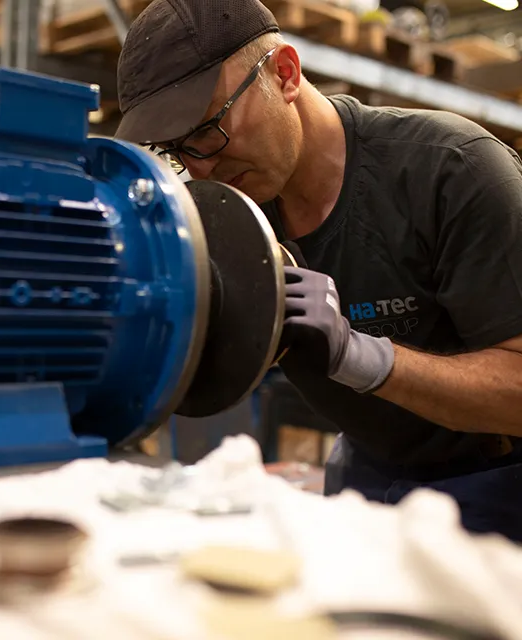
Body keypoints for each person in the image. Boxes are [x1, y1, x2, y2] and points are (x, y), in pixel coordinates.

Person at [114, 0, 522, 541]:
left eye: (209, 129)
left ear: (284, 73)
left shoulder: (453, 170)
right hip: (367, 474)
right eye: (176, 149)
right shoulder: (230, 212)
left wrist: (365, 358)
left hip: (495, 486)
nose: (201, 166)